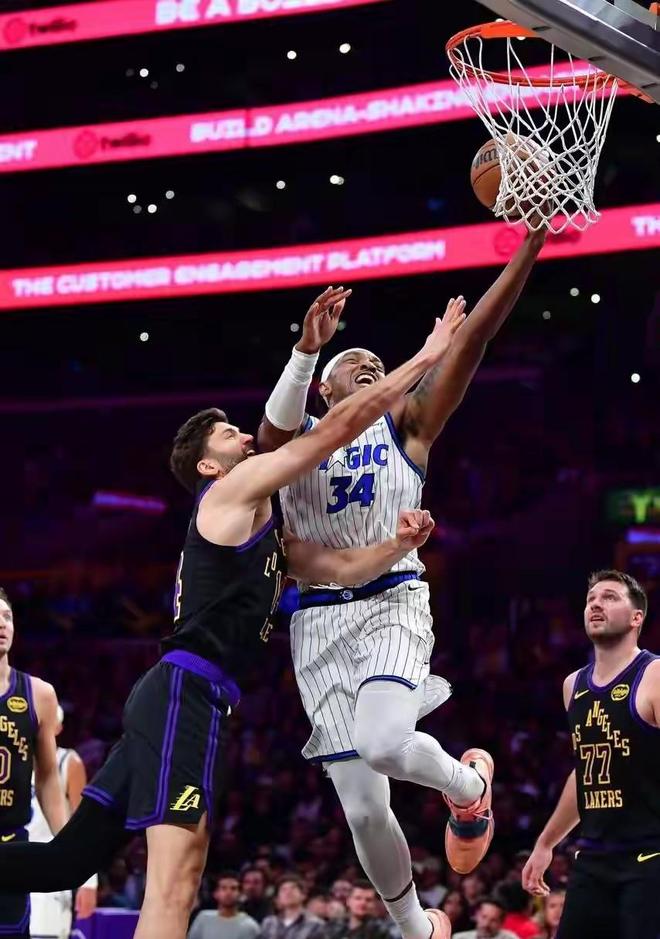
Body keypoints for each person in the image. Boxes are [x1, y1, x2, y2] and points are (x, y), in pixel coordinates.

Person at [0, 307, 463, 939]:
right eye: (227, 436)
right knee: (176, 879)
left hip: (178, 695)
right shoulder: (229, 492)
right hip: (185, 692)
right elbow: (338, 428)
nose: (244, 436)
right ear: (209, 467)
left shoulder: (269, 533)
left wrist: (400, 545)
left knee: (65, 861)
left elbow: (342, 567)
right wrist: (429, 356)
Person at [258, 228, 545, 939]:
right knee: (363, 809)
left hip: (392, 600)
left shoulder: (408, 428)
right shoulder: (292, 446)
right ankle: (418, 928)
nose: (371, 367)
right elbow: (269, 435)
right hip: (317, 620)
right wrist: (306, 348)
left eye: (379, 366)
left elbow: (473, 340)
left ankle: (470, 788)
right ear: (324, 389)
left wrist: (530, 243)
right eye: (355, 364)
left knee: (385, 743)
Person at [522, 570, 660, 939]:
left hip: (650, 856)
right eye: (591, 599)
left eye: (610, 597)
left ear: (637, 617)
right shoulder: (574, 685)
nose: (596, 604)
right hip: (593, 858)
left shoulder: (655, 674)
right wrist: (546, 843)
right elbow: (585, 771)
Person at [0, 589, 68, 939]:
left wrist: (68, 844)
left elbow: (48, 779)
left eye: (7, 617)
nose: (2, 624)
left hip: (12, 845)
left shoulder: (39, 693)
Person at [28, 704, 97, 939]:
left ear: (58, 728)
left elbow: (84, 825)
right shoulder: (11, 758)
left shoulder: (68, 762)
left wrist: (89, 882)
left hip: (49, 873)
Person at [188, 872, 260, 939]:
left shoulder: (250, 926)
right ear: (215, 894)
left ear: (240, 894)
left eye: (233, 888)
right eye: (223, 888)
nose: (228, 892)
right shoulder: (203, 918)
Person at [258, 876, 324, 939]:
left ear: (303, 895)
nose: (288, 892)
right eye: (283, 890)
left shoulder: (315, 925)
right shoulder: (269, 923)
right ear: (278, 898)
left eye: (293, 888)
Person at [325, 881, 391, 939]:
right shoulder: (333, 927)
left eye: (368, 900)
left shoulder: (381, 932)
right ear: (348, 901)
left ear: (374, 904)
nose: (363, 903)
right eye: (358, 898)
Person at [453, 899, 519, 939]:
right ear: (476, 916)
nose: (486, 924)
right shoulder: (459, 937)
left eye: (493, 920)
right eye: (484, 917)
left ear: (501, 923)